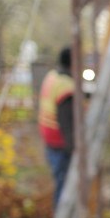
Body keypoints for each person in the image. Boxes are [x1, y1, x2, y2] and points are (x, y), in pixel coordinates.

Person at [38, 46, 75, 207]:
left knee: (60, 180)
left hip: (49, 139)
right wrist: (73, 148)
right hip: (61, 143)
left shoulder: (52, 76)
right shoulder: (66, 87)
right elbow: (67, 121)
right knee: (65, 186)